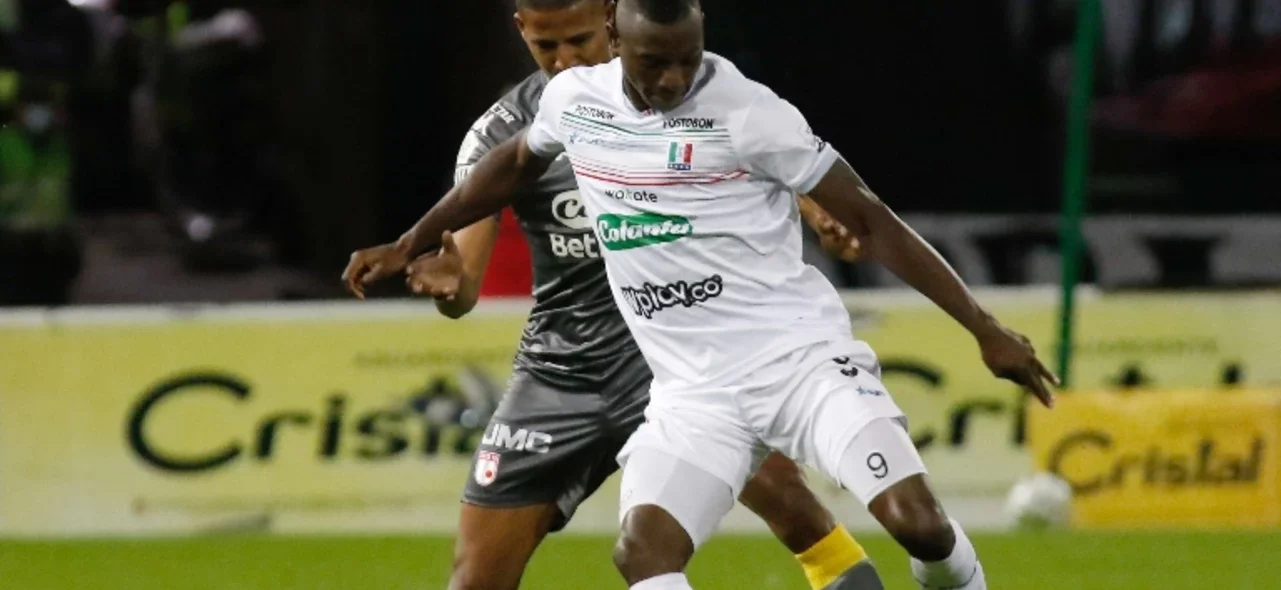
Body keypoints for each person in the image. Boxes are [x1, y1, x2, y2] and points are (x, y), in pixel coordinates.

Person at [344, 0, 1059, 587]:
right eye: (656, 61)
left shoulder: (748, 112)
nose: (673, 77)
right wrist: (413, 246)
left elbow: (861, 214)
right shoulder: (566, 105)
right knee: (624, 557)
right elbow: (504, 172)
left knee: (910, 523)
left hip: (775, 361)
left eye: (688, 57)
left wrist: (983, 326)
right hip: (648, 380)